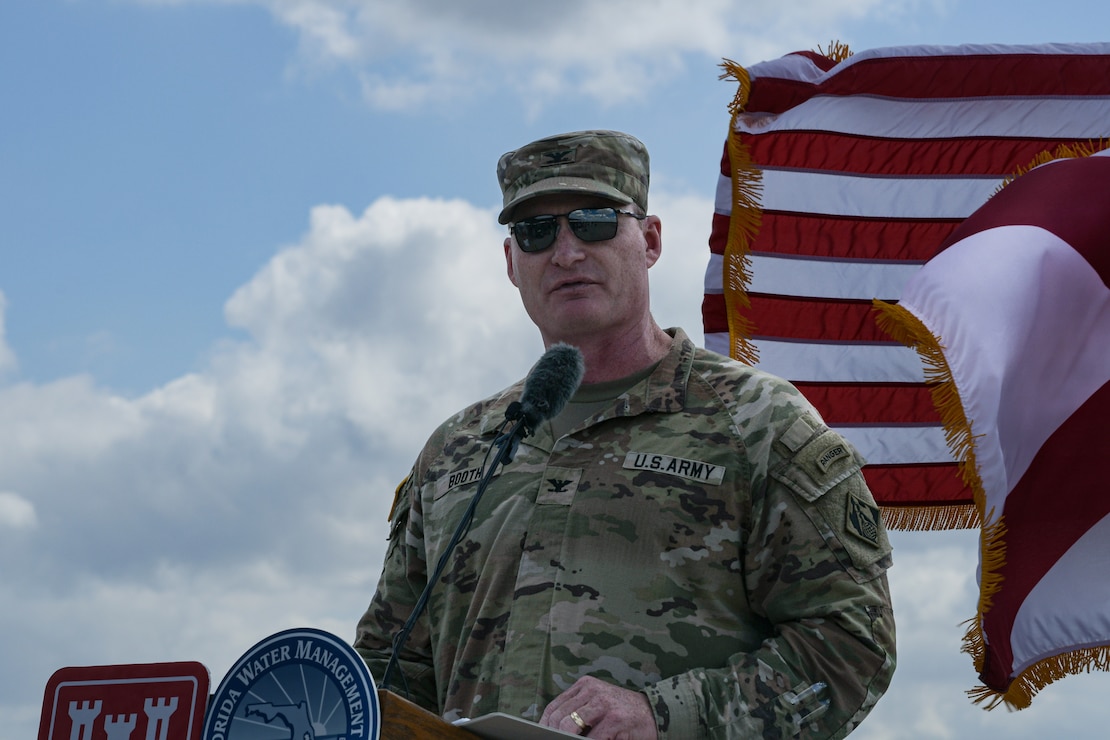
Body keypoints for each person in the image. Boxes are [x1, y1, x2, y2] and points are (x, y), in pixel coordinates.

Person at [354, 130, 896, 739]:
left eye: (594, 222)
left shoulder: (758, 424)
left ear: (651, 241)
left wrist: (663, 716)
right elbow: (389, 669)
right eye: (537, 233)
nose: (566, 252)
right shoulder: (457, 449)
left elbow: (851, 644)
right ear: (512, 263)